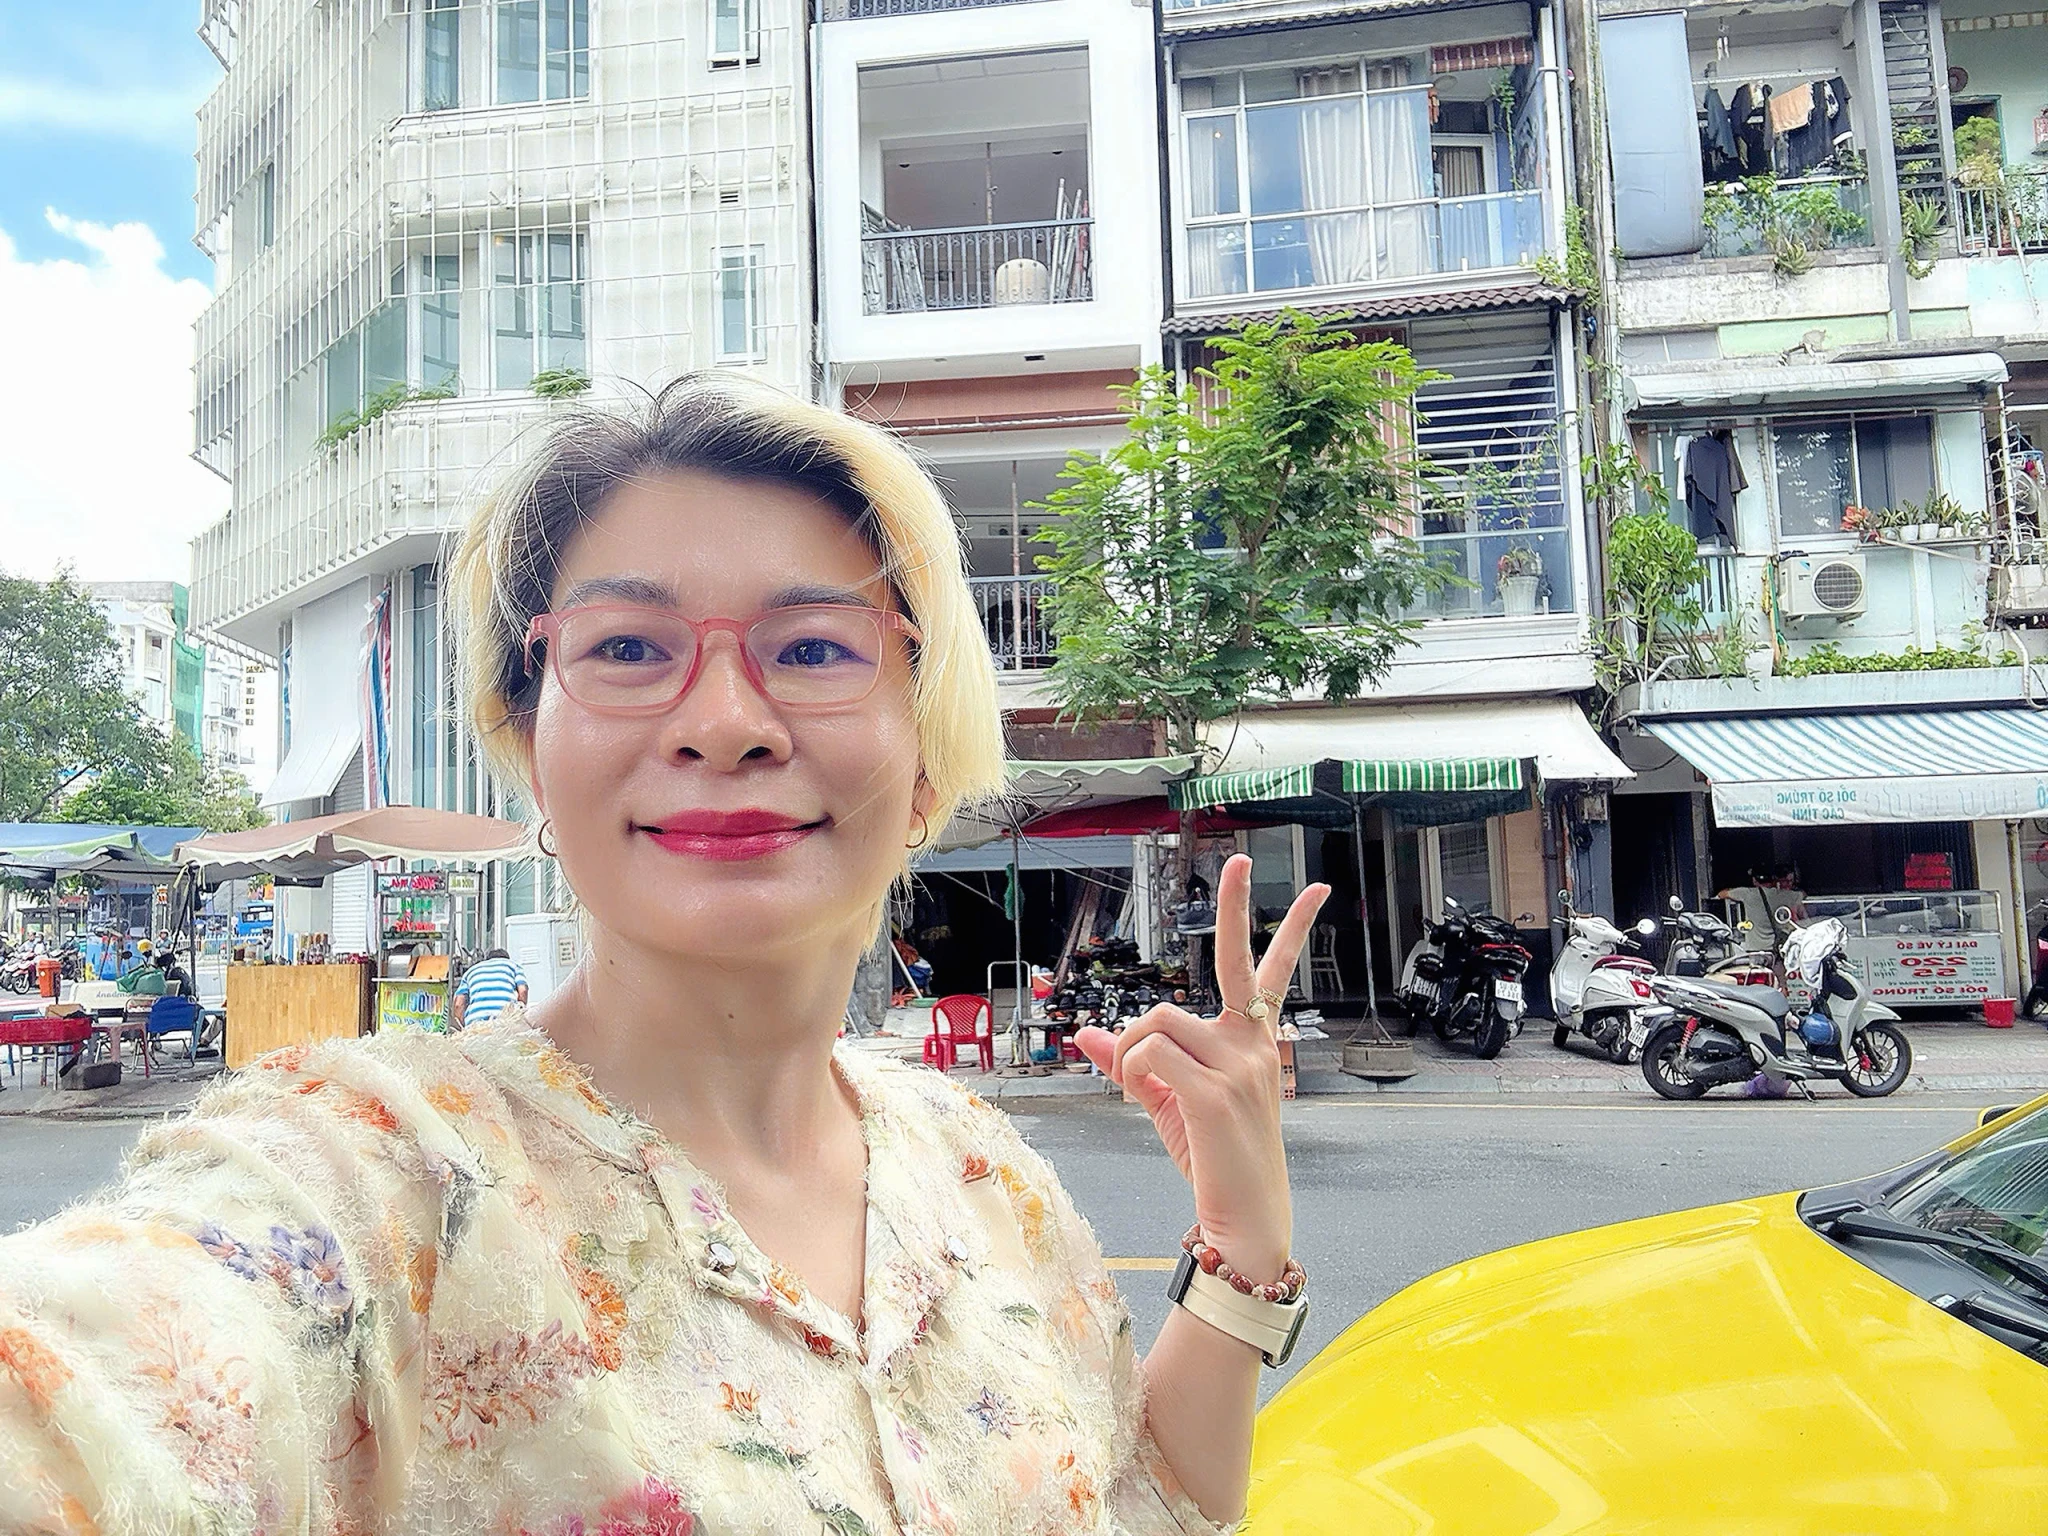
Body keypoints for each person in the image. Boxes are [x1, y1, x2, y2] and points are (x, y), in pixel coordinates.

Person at [0, 375, 1327, 1535]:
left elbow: (1149, 1500)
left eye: (815, 648)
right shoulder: (377, 1182)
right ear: (532, 748)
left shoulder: (989, 1177)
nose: (725, 721)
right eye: (628, 648)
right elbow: (90, 1408)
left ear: (925, 757)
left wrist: (1242, 1235)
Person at [450, 946, 528, 1029]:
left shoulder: (470, 971)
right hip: (504, 1022)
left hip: (475, 1024)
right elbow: (523, 990)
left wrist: (463, 1027)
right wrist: (518, 1014)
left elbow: (458, 1004)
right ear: (506, 959)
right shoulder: (513, 966)